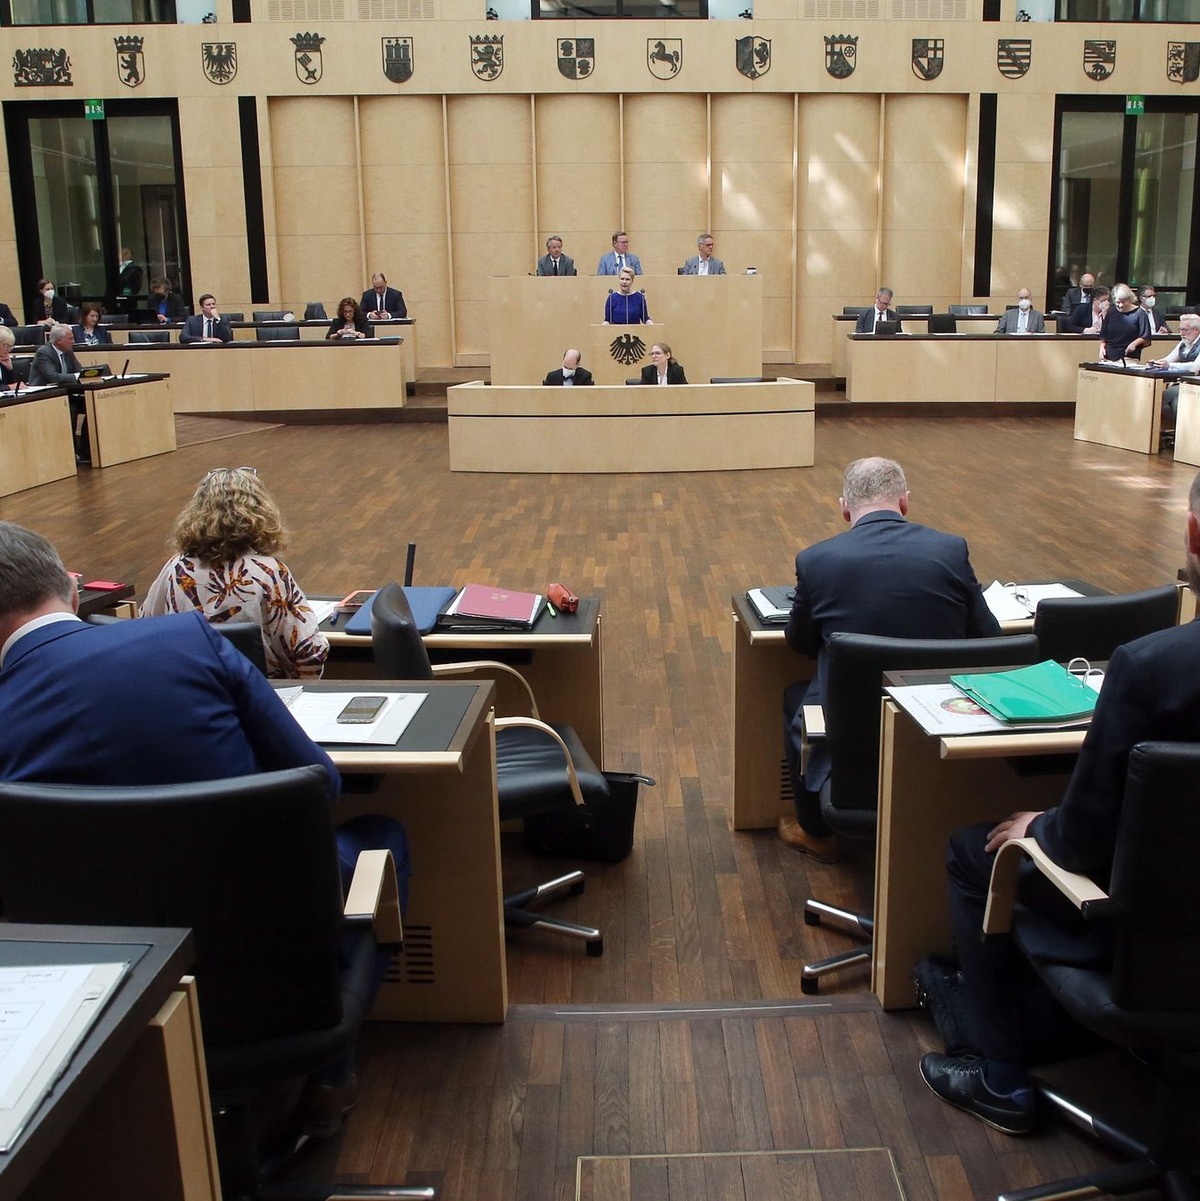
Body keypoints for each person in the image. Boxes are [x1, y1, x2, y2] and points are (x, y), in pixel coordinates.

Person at [0, 521, 410, 1125]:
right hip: (268, 962)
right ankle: (330, 1079)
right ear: (71, 584)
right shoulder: (186, 641)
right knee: (383, 838)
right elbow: (321, 784)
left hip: (97, 1006)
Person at [919, 469, 1200, 1136]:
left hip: (1151, 906)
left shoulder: (1149, 666)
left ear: (1193, 532)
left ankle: (1001, 1078)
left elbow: (1081, 841)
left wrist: (1038, 824)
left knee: (976, 851)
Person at [780, 457, 1000, 861]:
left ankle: (816, 832)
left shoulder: (815, 560)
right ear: (905, 502)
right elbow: (988, 636)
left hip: (855, 728)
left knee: (797, 698)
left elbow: (800, 642)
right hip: (944, 717)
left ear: (845, 507)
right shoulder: (950, 550)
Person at [141, 467, 330, 680]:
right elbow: (307, 655)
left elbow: (147, 631)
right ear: (260, 512)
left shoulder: (175, 568)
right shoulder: (267, 572)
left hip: (192, 696)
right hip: (259, 699)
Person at [1149, 311, 1200, 445]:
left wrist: (1170, 365)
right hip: (1182, 384)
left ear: (1196, 330)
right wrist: (1157, 362)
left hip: (1196, 385)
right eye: (1180, 329)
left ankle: (1185, 437)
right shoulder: (1183, 343)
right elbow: (1168, 359)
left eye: (1185, 330)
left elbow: (1195, 367)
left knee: (1172, 400)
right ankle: (1178, 433)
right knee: (1159, 400)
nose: (1182, 333)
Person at [1100, 283, 1152, 361]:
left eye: (1123, 302)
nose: (1121, 305)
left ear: (1129, 299)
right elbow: (1103, 335)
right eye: (1118, 302)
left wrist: (1134, 344)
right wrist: (1102, 347)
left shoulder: (1139, 313)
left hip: (1129, 356)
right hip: (1109, 355)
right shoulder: (1110, 312)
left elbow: (1145, 336)